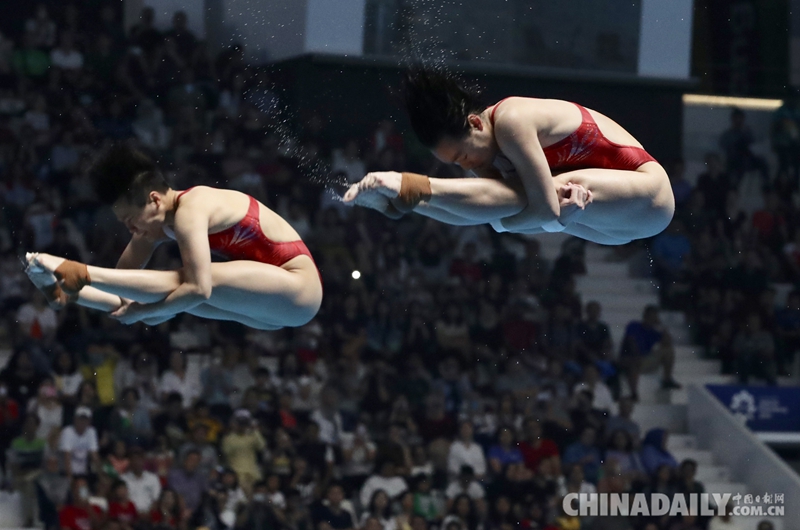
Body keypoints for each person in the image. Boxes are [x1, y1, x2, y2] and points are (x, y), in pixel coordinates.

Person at [344, 69, 674, 246]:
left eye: (462, 154)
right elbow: (485, 214)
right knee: (516, 201)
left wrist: (516, 223)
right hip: (607, 228)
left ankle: (410, 187)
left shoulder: (512, 120)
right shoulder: (485, 155)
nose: (466, 165)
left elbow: (542, 209)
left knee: (553, 192)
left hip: (649, 197)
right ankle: (410, 198)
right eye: (456, 163)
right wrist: (416, 204)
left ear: (475, 123)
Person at [25, 143, 322, 330]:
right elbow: (123, 288)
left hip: (300, 291)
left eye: (130, 220)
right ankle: (65, 295)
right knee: (159, 303)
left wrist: (141, 311)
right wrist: (138, 310)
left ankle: (78, 272)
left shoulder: (191, 209)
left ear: (154, 200)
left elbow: (200, 288)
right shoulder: (152, 226)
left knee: (184, 286)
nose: (131, 230)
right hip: (268, 313)